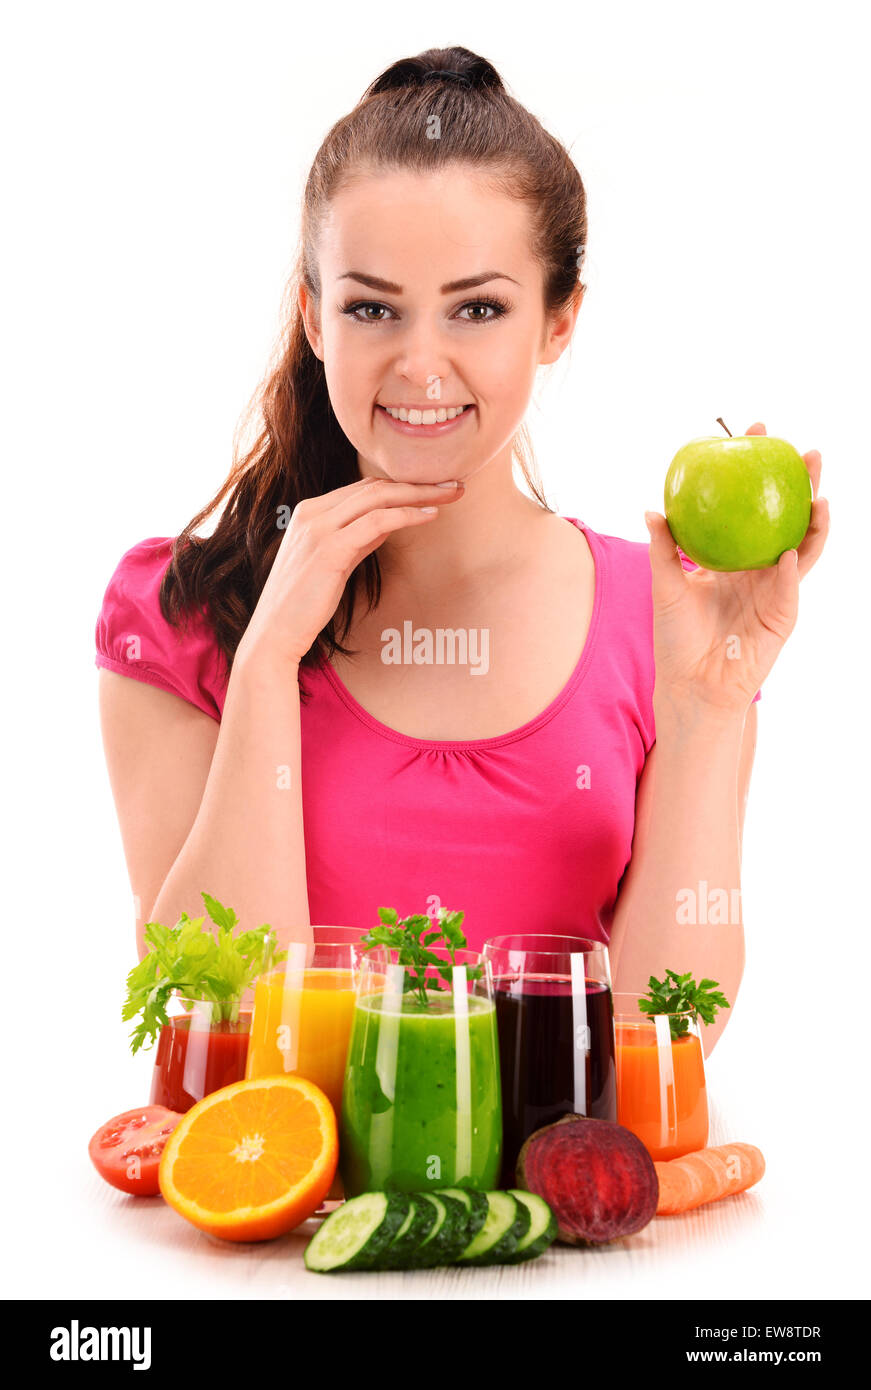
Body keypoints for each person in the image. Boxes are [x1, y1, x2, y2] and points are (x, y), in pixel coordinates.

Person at [94, 46, 828, 1055]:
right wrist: (266, 664)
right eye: (371, 307)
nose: (420, 364)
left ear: (558, 319)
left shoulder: (659, 618)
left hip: (546, 1213)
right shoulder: (188, 611)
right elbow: (213, 1029)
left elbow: (660, 1045)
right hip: (298, 1208)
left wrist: (706, 710)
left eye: (477, 308)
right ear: (315, 318)